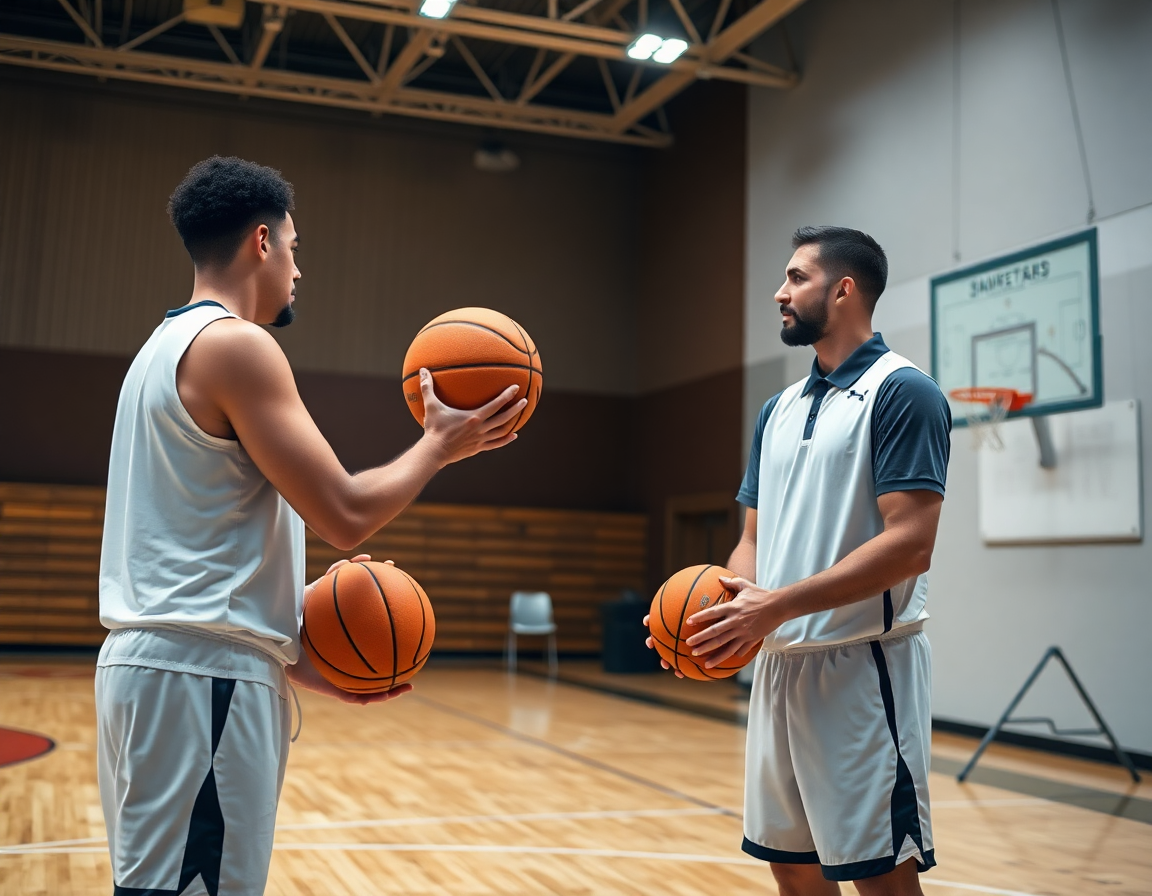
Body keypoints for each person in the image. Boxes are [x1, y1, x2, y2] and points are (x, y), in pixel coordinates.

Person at [96, 156, 525, 895]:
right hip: (203, 684)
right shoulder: (237, 345)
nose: (299, 270)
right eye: (296, 247)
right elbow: (347, 514)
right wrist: (438, 446)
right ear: (262, 241)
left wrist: (296, 663)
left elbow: (192, 561)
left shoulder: (156, 354)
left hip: (167, 672)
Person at [650, 226, 951, 895]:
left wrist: (778, 606)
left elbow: (912, 544)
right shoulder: (777, 410)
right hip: (781, 666)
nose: (779, 293)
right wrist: (712, 623)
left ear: (843, 289)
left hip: (862, 668)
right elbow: (753, 541)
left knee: (879, 874)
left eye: (796, 278)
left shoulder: (904, 392)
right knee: (791, 863)